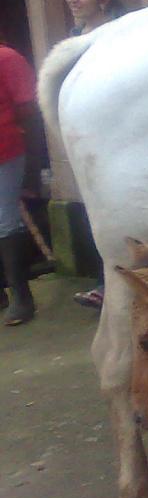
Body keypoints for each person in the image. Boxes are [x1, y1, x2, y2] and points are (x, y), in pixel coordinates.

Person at [64, 0, 124, 310]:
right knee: (98, 213)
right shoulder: (76, 33)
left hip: (113, 138)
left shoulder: (115, 36)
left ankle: (116, 285)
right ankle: (107, 284)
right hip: (87, 138)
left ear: (103, 0)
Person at [0, 28, 38, 325]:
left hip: (6, 149)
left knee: (5, 220)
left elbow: (28, 106)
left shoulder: (8, 59)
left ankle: (21, 297)